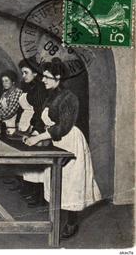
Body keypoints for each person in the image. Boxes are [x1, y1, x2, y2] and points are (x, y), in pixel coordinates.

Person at [23, 58, 101, 239]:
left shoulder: (69, 98)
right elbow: (44, 121)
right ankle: (56, 218)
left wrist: (38, 139)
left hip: (70, 141)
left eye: (47, 77)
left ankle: (72, 221)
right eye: (43, 77)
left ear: (58, 77)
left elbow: (63, 126)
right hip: (56, 142)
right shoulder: (50, 96)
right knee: (55, 180)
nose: (43, 80)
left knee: (70, 182)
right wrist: (34, 133)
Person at [17, 57, 48, 207]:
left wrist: (35, 129)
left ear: (35, 73)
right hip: (35, 126)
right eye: (22, 73)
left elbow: (41, 111)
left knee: (40, 165)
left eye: (26, 72)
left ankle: (41, 197)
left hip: (42, 128)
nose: (23, 76)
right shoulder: (34, 87)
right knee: (35, 164)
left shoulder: (41, 88)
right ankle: (36, 194)